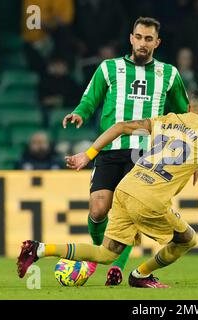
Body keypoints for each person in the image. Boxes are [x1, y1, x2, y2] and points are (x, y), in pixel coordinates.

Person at [17, 89, 198, 288]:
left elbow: (120, 126)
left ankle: (39, 249)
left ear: (189, 107)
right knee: (188, 240)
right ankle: (140, 275)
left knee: (107, 253)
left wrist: (89, 154)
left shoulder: (166, 120)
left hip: (126, 188)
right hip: (150, 199)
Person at [61, 17, 189, 285]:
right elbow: (90, 98)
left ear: (157, 42)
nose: (143, 43)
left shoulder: (169, 74)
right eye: (139, 37)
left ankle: (116, 268)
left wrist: (188, 153)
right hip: (110, 148)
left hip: (146, 154)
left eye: (149, 39)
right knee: (98, 210)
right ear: (131, 38)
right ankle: (102, 255)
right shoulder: (109, 68)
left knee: (128, 212)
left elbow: (183, 117)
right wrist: (79, 113)